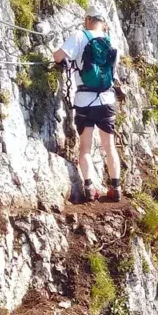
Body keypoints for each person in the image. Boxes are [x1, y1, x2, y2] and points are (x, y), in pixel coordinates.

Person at [53, 12, 122, 202]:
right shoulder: (112, 42)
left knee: (85, 149)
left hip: (84, 100)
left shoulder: (79, 36)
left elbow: (58, 56)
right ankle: (115, 188)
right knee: (109, 146)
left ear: (88, 21)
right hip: (107, 100)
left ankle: (89, 188)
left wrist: (65, 62)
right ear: (104, 25)